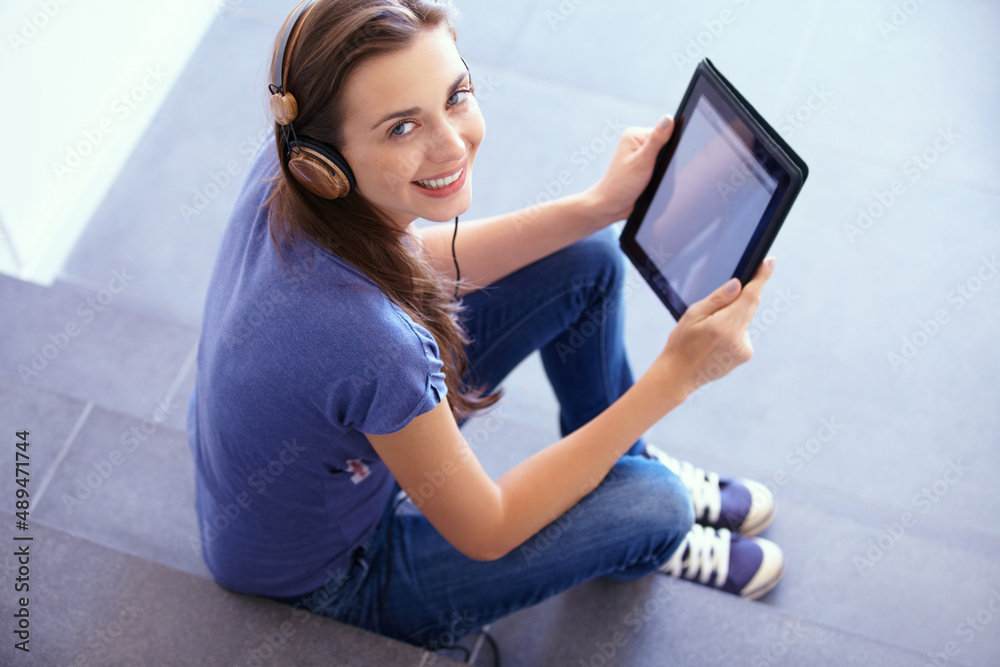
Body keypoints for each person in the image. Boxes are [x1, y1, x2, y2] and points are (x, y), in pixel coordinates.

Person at [186, 0, 785, 652]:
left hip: (320, 466)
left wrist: (597, 207)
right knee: (657, 504)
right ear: (325, 165)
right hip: (332, 573)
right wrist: (676, 378)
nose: (452, 143)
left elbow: (411, 262)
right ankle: (638, 527)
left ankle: (621, 459)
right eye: (400, 128)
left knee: (587, 259)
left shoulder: (287, 170)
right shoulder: (375, 342)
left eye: (457, 95)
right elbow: (488, 527)